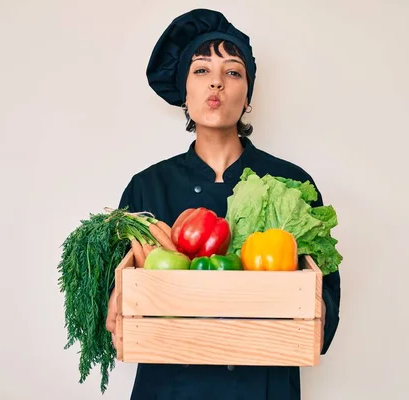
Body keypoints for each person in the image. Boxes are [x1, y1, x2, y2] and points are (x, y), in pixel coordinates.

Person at [105, 8, 341, 400]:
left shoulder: (292, 183)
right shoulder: (147, 186)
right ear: (184, 91)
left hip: (263, 382)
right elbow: (121, 298)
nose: (216, 81)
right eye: (201, 70)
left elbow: (324, 286)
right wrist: (117, 295)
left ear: (247, 96)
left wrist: (317, 310)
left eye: (233, 72)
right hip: (170, 385)